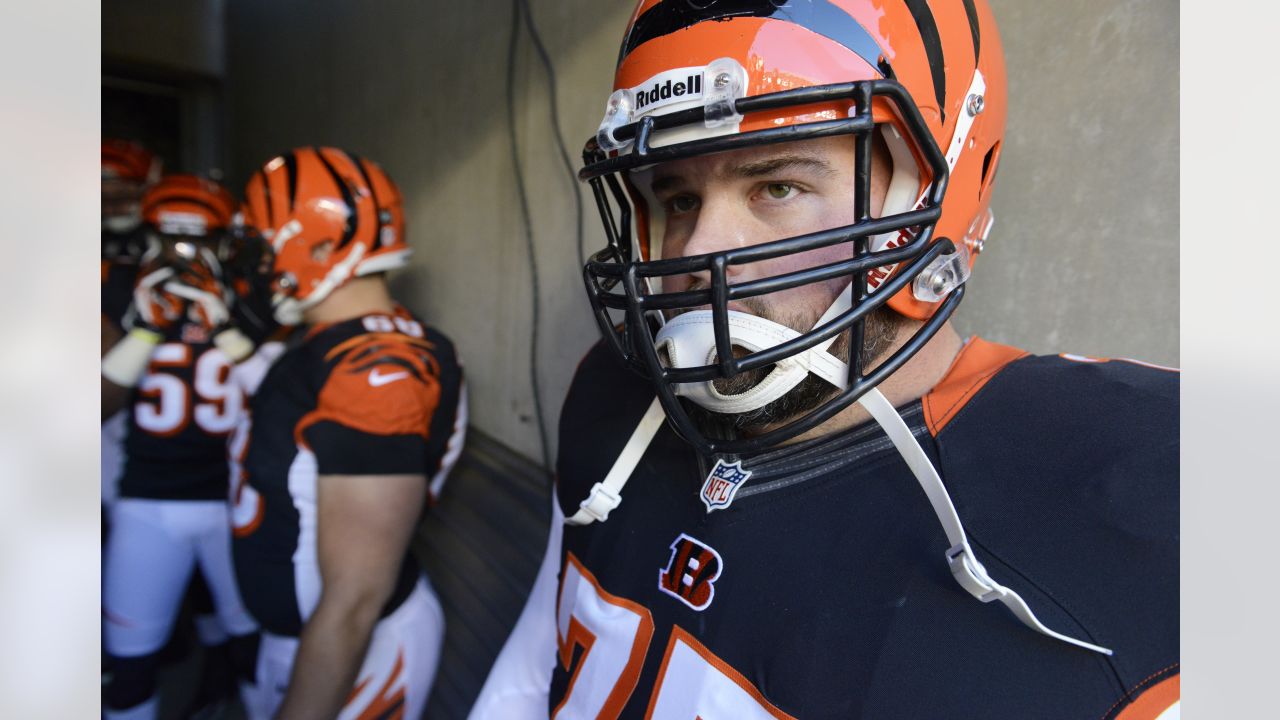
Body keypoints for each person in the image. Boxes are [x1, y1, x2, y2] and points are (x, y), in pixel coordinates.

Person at [470, 1, 1178, 718]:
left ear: (937, 194)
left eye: (778, 187)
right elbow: (538, 663)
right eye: (678, 197)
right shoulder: (614, 398)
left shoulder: (1132, 497)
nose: (696, 252)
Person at [231, 146, 467, 719]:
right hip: (308, 639)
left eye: (266, 247)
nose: (256, 267)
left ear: (318, 246)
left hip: (352, 647)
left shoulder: (376, 367)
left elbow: (355, 597)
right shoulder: (338, 340)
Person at [100, 174, 262, 720]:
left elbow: (279, 398)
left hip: (235, 501)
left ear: (225, 243)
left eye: (197, 240)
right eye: (170, 238)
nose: (183, 254)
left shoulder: (252, 293)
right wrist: (145, 329)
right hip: (148, 498)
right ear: (148, 235)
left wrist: (226, 328)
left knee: (257, 651)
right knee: (130, 669)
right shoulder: (117, 287)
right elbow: (92, 404)